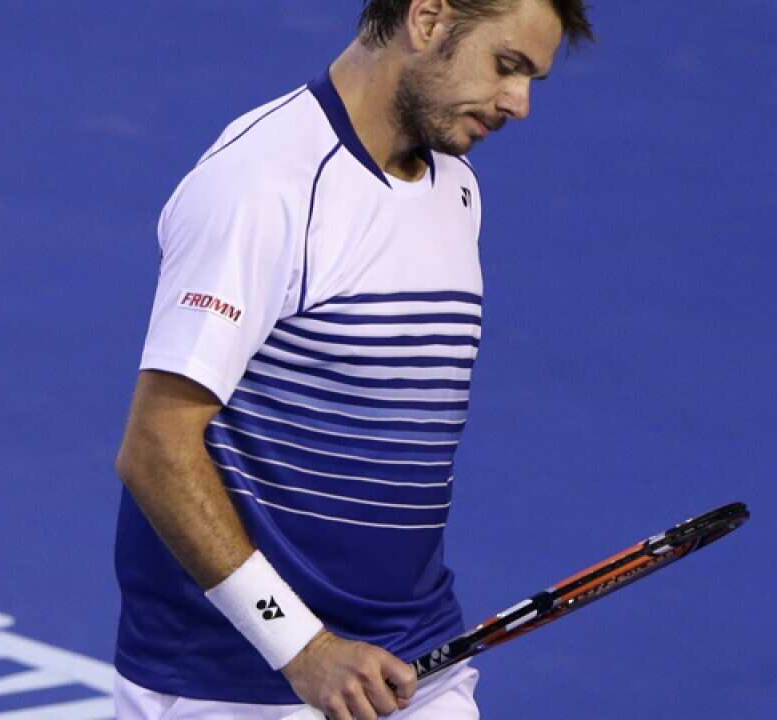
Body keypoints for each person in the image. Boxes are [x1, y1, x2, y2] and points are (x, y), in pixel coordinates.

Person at [111, 1, 594, 718]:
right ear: (428, 19)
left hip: (411, 663)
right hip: (235, 684)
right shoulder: (263, 185)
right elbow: (156, 449)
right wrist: (303, 648)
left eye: (531, 80)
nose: (518, 104)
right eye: (506, 65)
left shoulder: (455, 188)